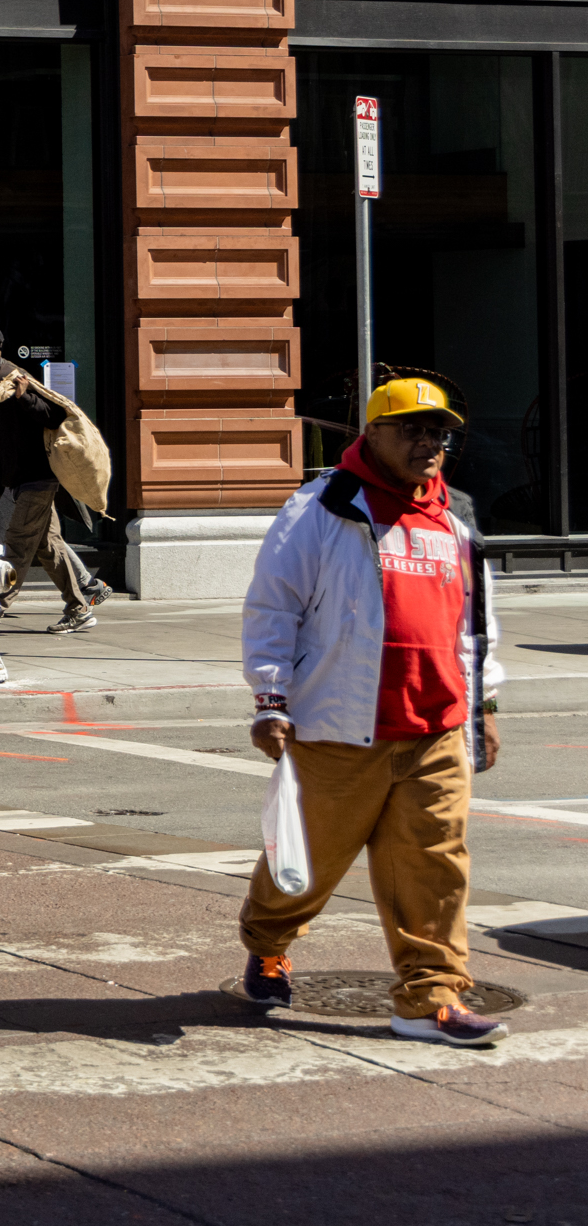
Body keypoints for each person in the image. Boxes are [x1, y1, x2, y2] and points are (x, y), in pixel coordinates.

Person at [240, 373, 510, 1047]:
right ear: (375, 433)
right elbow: (274, 606)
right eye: (413, 429)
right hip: (339, 726)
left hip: (436, 728)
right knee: (306, 862)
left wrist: (486, 704)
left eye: (439, 432)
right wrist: (270, 698)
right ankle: (269, 939)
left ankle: (429, 998)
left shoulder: (457, 515)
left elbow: (476, 625)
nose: (429, 443)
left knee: (435, 868)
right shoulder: (323, 506)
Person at [0, 329, 109, 633]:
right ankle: (79, 608)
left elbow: (53, 415)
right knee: (48, 547)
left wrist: (25, 399)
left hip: (39, 479)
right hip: (19, 480)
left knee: (18, 546)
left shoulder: (16, 381)